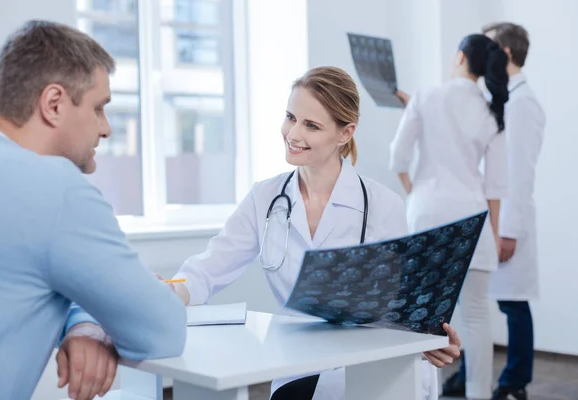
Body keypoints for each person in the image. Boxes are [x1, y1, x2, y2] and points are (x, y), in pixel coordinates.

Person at [168, 66, 462, 400]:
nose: (293, 133)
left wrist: (431, 338)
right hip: (302, 364)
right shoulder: (264, 198)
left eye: (311, 125)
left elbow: (405, 305)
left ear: (344, 133)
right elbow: (207, 269)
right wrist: (169, 294)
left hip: (374, 363)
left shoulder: (382, 205)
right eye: (290, 117)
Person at [0, 20, 187, 400]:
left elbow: (28, 270)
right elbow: (162, 330)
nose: (105, 129)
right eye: (99, 108)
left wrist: (83, 321)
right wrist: (93, 322)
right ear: (54, 103)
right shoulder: (52, 187)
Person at [390, 34, 509, 400]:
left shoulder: (426, 96)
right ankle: (479, 395)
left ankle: (426, 392)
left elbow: (397, 157)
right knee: (476, 315)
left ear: (459, 57)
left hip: (427, 214)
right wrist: (495, 231)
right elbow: (495, 185)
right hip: (473, 220)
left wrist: (416, 193)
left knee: (425, 315)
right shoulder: (492, 112)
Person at [442, 23, 546, 400]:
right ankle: (469, 374)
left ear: (502, 55)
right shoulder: (500, 102)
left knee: (513, 305)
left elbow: (517, 176)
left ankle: (515, 383)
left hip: (507, 222)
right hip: (488, 218)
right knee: (478, 305)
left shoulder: (521, 105)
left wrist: (508, 231)